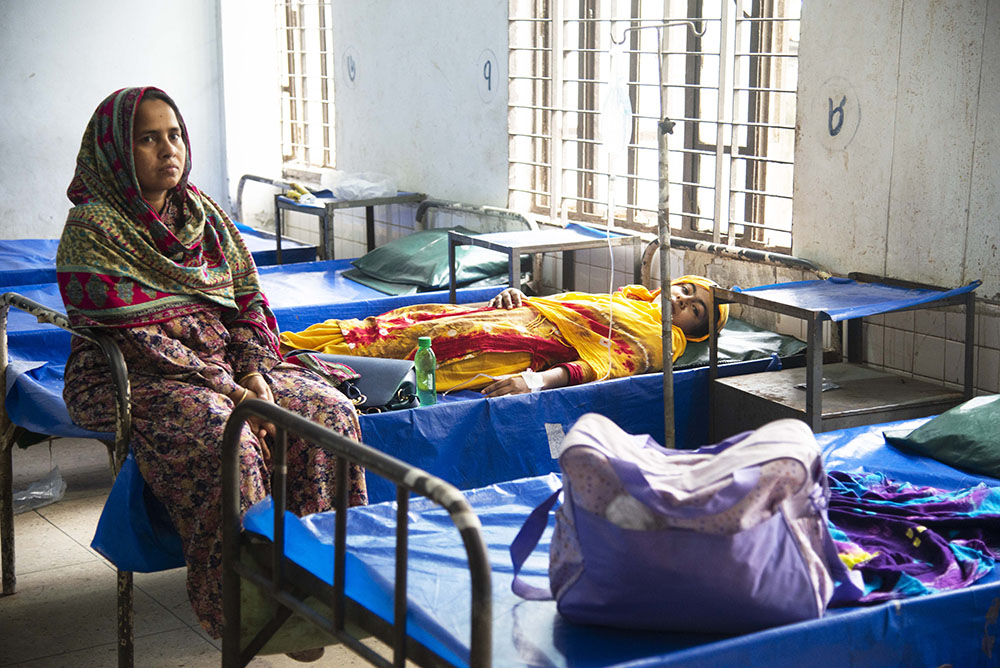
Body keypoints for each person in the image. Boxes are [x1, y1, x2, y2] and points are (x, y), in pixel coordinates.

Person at [56, 87, 366, 649]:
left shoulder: (205, 215)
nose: (167, 149)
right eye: (147, 138)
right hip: (135, 372)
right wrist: (236, 396)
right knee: (226, 438)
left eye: (173, 135)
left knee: (328, 413)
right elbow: (136, 338)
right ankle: (248, 610)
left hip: (226, 361)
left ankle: (320, 589)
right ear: (115, 151)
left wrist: (252, 373)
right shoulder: (94, 228)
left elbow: (248, 300)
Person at [279, 276, 728, 396]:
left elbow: (602, 365)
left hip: (518, 348)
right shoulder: (629, 298)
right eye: (687, 290)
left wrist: (534, 382)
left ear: (697, 331)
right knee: (410, 319)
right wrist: (520, 295)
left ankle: (302, 374)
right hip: (516, 316)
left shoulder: (662, 339)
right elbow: (567, 309)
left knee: (434, 345)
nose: (683, 302)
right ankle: (285, 349)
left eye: (695, 311)